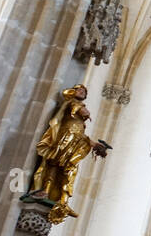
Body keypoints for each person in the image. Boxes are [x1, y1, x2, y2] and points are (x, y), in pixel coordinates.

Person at [28, 84, 109, 223]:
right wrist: (81, 108)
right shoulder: (72, 103)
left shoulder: (78, 117)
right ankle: (46, 191)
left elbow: (82, 135)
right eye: (80, 89)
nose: (83, 92)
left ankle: (62, 200)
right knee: (55, 164)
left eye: (84, 91)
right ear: (73, 91)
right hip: (65, 139)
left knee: (68, 168)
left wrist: (95, 144)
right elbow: (80, 112)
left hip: (76, 141)